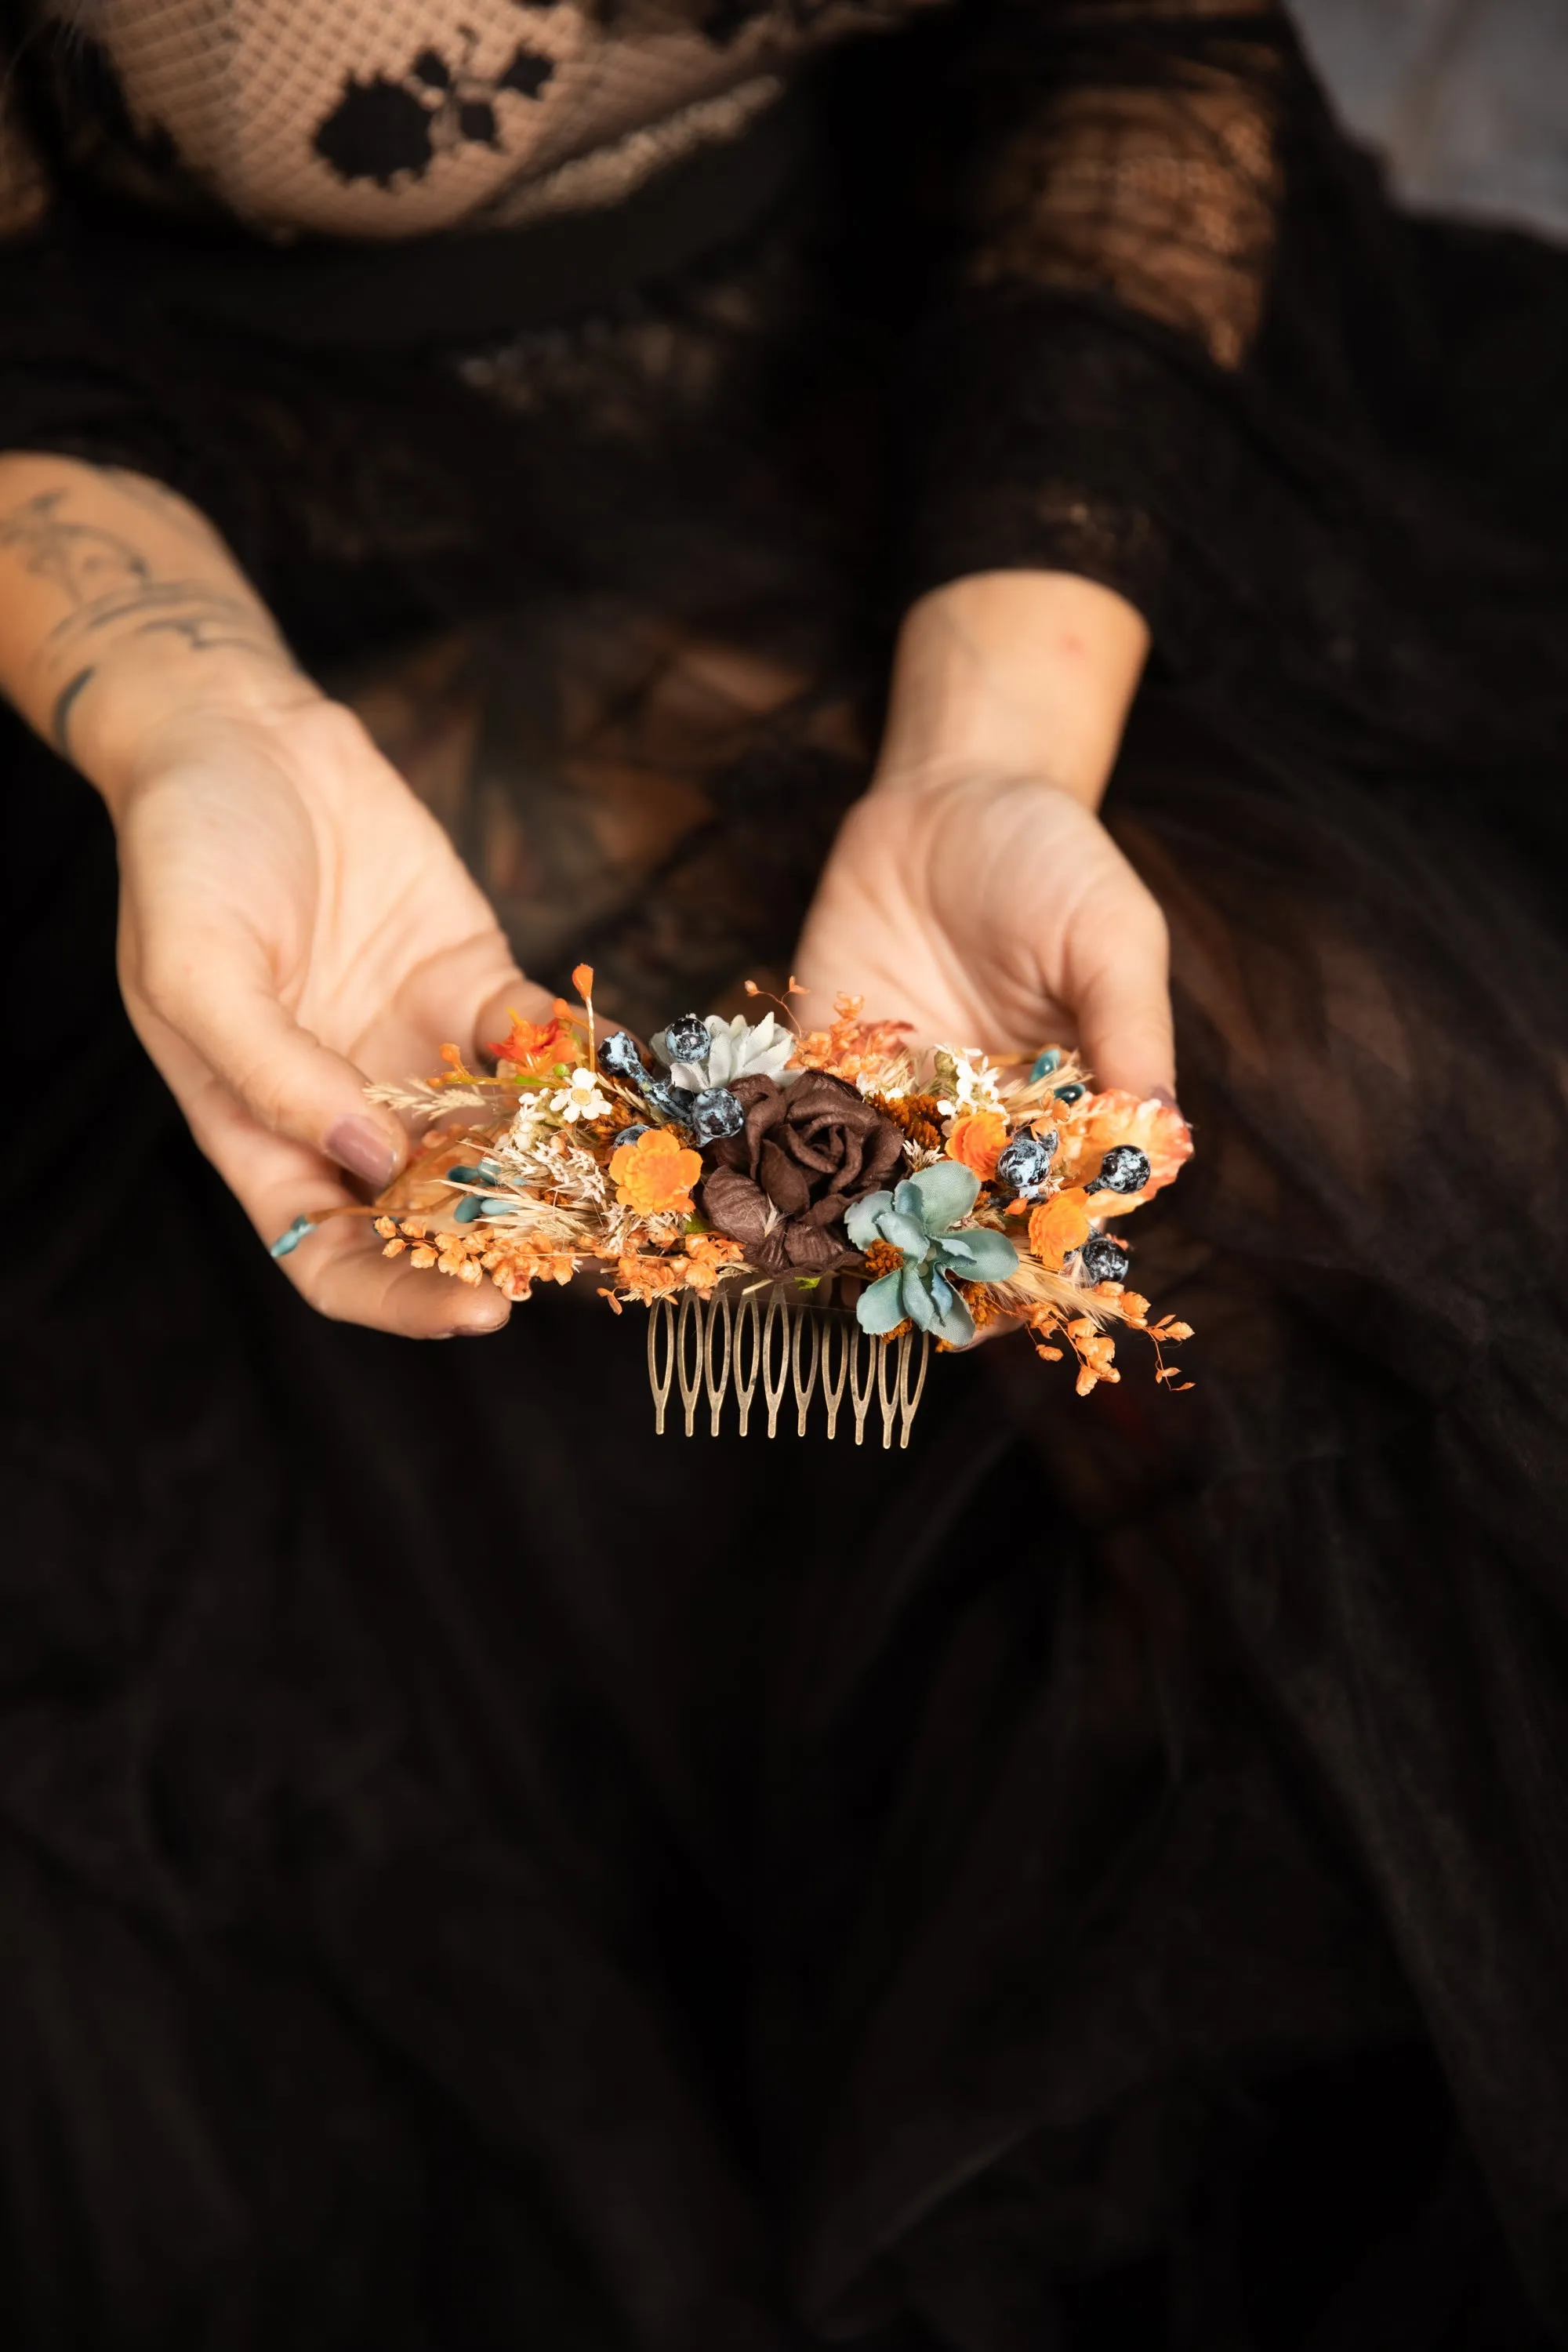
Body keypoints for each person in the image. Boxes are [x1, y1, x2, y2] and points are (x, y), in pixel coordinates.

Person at [1, 0, 1566, 2343]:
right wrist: (195, 718)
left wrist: (988, 748)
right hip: (274, 612)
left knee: (1406, 1153)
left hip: (1013, 430)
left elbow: (1126, 48)